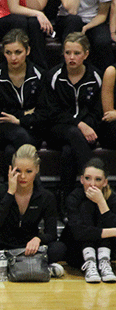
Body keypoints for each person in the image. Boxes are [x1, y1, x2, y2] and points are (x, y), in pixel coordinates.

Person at [0, 144, 67, 277]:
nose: (23, 176)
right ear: (11, 169)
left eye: (28, 171)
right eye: (18, 171)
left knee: (59, 248)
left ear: (37, 170)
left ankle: (3, 268)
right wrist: (10, 193)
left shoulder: (46, 197)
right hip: (2, 248)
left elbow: (51, 234)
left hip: (29, 249)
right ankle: (37, 268)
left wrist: (38, 239)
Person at [37, 32, 103, 192]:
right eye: (68, 53)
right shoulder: (53, 76)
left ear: (86, 54)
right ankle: (96, 185)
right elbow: (51, 112)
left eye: (77, 53)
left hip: (87, 132)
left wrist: (86, 126)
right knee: (74, 133)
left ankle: (66, 202)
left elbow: (97, 111)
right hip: (56, 131)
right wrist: (80, 125)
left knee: (68, 151)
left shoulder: (95, 77)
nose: (71, 57)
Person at [0, 28, 42, 158]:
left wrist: (18, 119)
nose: (13, 57)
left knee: (11, 151)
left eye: (18, 52)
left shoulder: (39, 75)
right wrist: (25, 113)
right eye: (8, 53)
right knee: (20, 136)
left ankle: (11, 179)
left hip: (31, 127)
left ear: (27, 51)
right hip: (1, 129)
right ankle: (33, 178)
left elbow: (43, 112)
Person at [61, 157, 116, 282]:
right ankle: (90, 262)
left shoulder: (112, 198)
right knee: (86, 206)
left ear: (105, 182)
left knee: (99, 210)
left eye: (98, 179)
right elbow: (79, 232)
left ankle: (104, 261)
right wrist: (114, 231)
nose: (92, 184)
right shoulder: (74, 197)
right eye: (87, 178)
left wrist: (102, 202)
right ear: (81, 179)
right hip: (78, 251)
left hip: (108, 249)